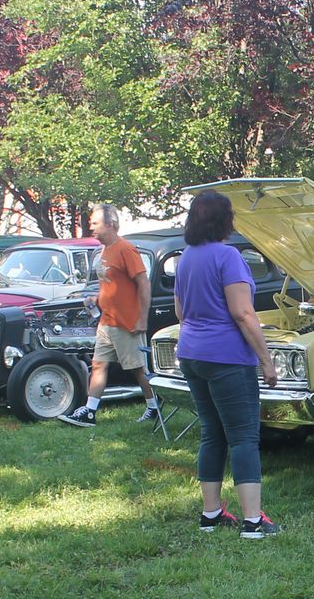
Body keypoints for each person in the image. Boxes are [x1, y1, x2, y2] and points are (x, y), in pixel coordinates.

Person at [174, 190, 280, 539]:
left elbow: (180, 311)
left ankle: (211, 513)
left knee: (212, 433)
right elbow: (243, 312)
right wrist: (267, 360)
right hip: (227, 358)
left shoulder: (186, 257)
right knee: (244, 436)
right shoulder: (229, 256)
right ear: (225, 220)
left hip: (191, 353)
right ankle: (252, 521)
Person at [61, 203, 159, 427]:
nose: (91, 227)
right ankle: (90, 411)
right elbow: (111, 283)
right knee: (98, 364)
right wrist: (97, 298)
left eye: (95, 223)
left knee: (137, 368)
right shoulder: (104, 250)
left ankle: (153, 407)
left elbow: (143, 284)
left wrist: (142, 318)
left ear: (110, 224)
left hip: (126, 322)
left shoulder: (126, 249)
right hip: (107, 321)